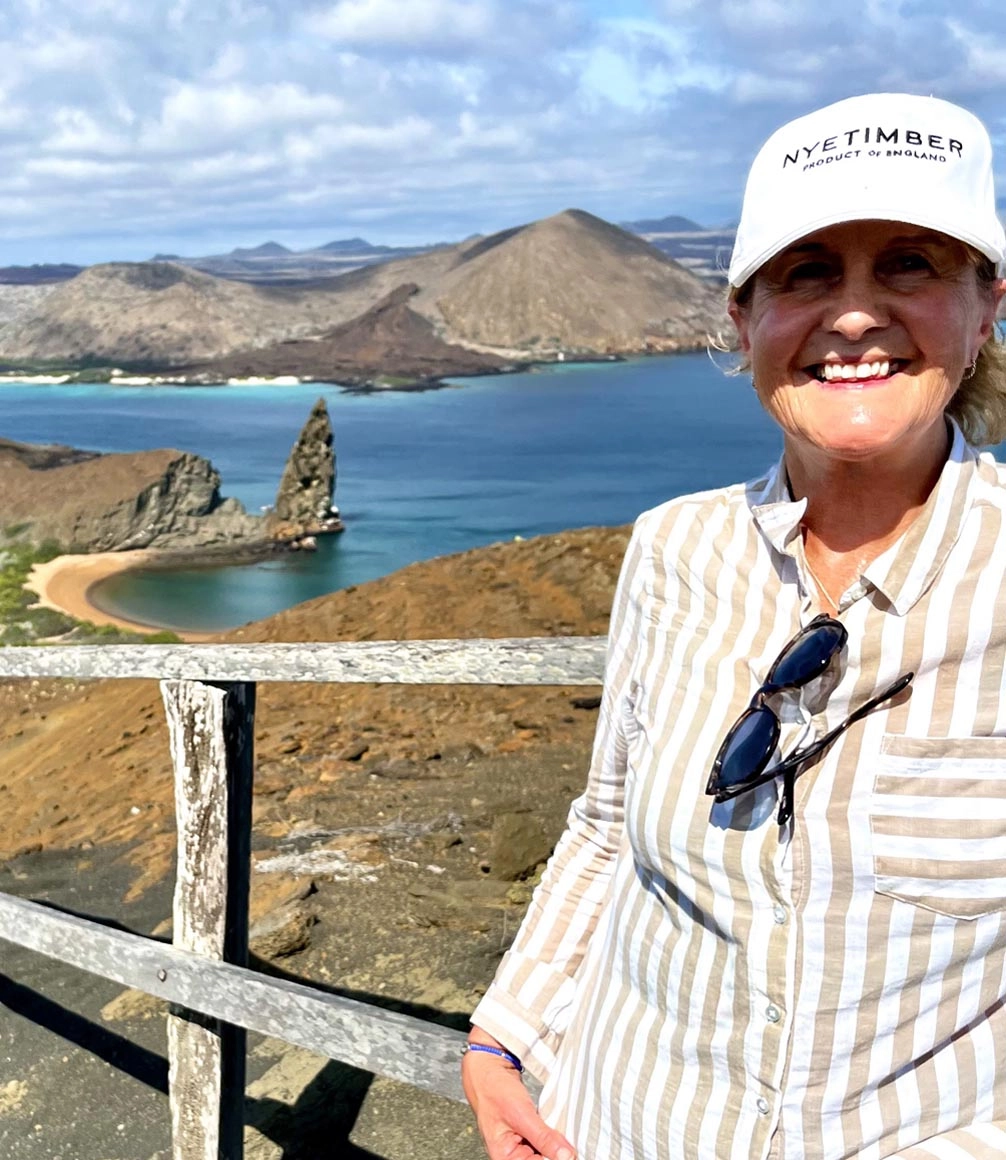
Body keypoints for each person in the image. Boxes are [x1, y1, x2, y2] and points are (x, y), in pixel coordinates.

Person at [462, 92, 1006, 1160]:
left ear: (986, 307)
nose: (853, 314)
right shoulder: (674, 549)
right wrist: (501, 1036)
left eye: (908, 263)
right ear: (742, 319)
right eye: (806, 272)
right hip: (615, 1125)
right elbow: (606, 821)